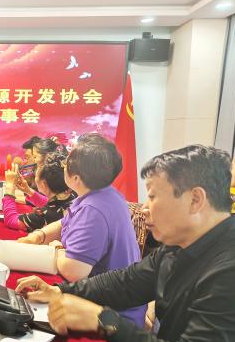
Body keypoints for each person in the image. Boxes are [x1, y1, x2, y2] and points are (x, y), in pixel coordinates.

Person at [17, 145, 235, 342]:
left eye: (152, 196)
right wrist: (59, 291)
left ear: (195, 200)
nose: (144, 208)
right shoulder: (180, 245)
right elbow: (127, 282)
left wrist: (104, 319)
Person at [17, 133, 144, 326]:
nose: (63, 167)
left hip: (109, 316)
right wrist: (39, 236)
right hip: (104, 302)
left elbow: (74, 271)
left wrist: (56, 248)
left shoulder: (94, 209)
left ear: (75, 177)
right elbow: (65, 222)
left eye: (66, 164)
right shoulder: (100, 195)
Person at [3, 152, 75, 231]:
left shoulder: (43, 215)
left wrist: (9, 186)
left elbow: (11, 220)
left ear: (43, 184)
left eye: (38, 167)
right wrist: (28, 191)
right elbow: (47, 202)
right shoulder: (70, 196)